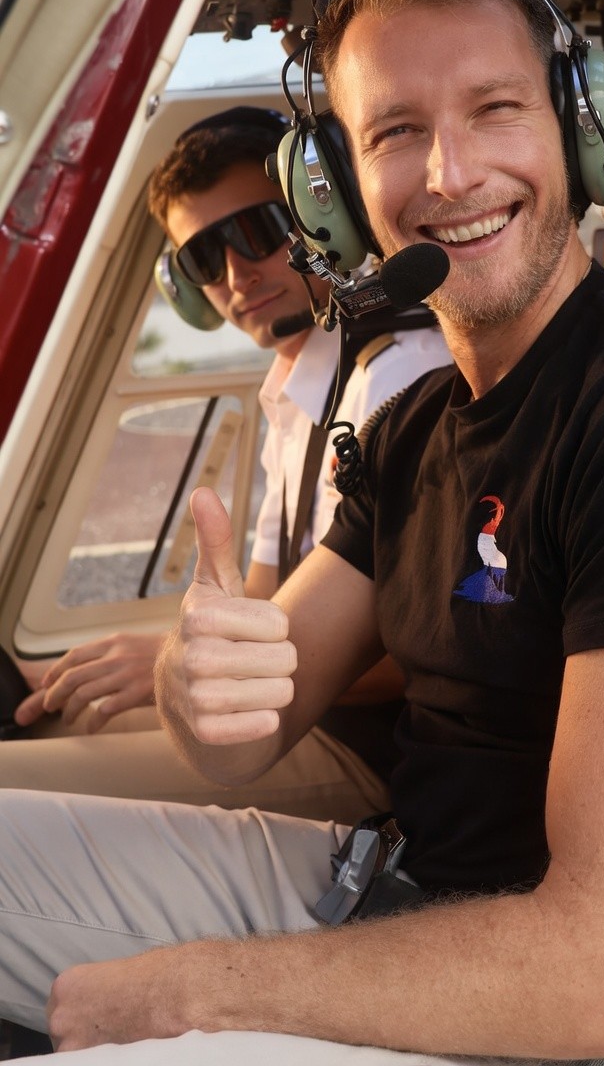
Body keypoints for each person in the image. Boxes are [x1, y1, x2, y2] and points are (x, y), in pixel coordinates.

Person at [0, 0, 604, 1066]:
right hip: (391, 896)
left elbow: (600, 979)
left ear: (580, 132)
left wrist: (189, 991)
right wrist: (199, 686)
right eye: (395, 131)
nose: (450, 174)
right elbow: (248, 741)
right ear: (334, 189)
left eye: (495, 109)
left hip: (558, 1029)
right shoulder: (411, 432)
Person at [1, 107, 450, 820]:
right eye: (204, 258)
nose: (238, 274)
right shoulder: (297, 386)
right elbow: (265, 604)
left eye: (257, 232)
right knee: (34, 718)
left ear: (321, 215)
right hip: (290, 716)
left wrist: (168, 668)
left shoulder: (400, 379)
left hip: (373, 754)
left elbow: (412, 650)